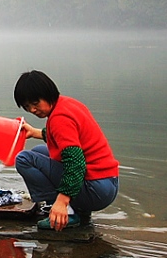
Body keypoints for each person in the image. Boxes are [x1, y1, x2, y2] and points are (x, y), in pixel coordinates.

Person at [13, 70, 119, 231]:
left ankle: (65, 213)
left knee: (24, 159)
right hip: (107, 182)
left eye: (35, 103)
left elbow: (75, 162)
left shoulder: (59, 119)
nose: (33, 110)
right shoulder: (67, 104)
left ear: (47, 94)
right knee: (40, 151)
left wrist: (62, 201)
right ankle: (79, 209)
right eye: (27, 107)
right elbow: (66, 138)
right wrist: (36, 132)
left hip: (95, 189)